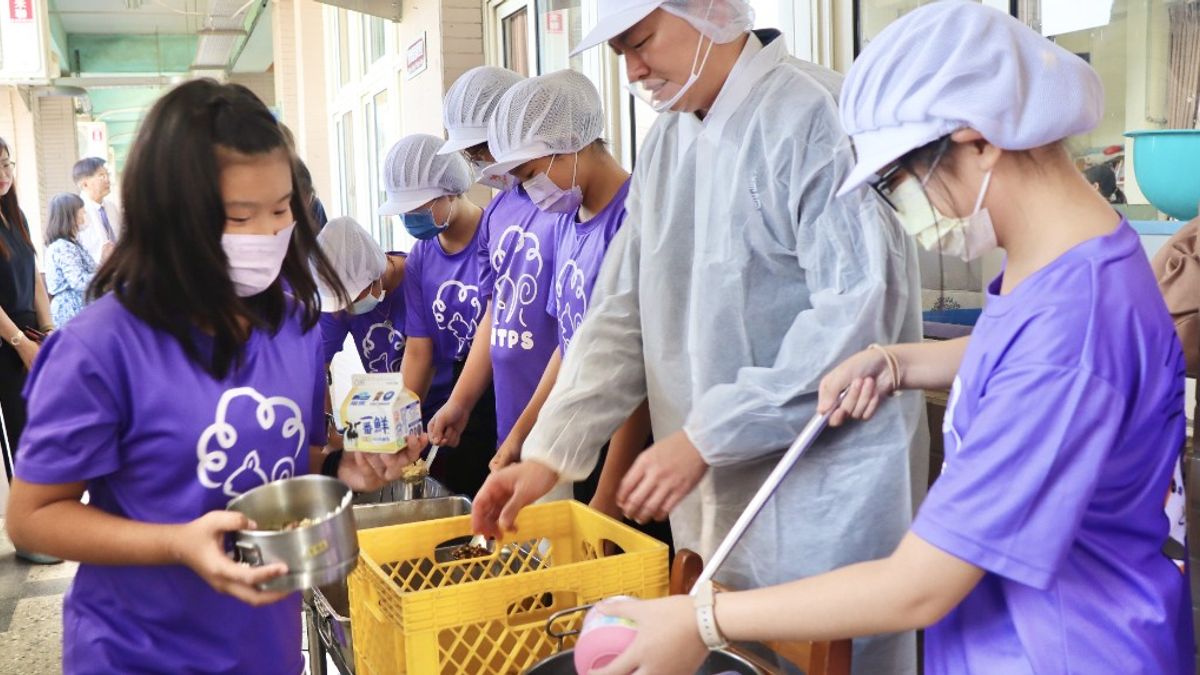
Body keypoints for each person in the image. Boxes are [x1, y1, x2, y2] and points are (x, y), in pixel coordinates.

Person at [585, 4, 1195, 675]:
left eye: (902, 181)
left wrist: (703, 619)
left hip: (1063, 652)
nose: (910, 210)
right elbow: (1019, 351)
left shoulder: (1071, 328)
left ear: (979, 139)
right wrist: (900, 362)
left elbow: (918, 586)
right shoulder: (1082, 257)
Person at [471, 1, 925, 672]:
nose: (633, 71)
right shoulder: (667, 146)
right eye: (620, 53)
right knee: (727, 650)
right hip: (714, 508)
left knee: (828, 653)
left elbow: (855, 324)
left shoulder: (816, 119)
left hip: (826, 502)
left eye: (642, 42)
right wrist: (550, 453)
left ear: (710, 10)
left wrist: (709, 434)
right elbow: (620, 313)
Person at [4, 79, 408, 673]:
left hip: (263, 648)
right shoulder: (100, 347)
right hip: (138, 653)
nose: (267, 235)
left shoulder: (295, 327)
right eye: (239, 216)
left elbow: (287, 462)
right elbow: (32, 517)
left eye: (281, 210)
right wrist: (175, 542)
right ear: (171, 218)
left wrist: (337, 468)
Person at [481, 69, 659, 530]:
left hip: (633, 458)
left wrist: (608, 496)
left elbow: (638, 368)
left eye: (530, 174)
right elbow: (569, 346)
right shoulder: (565, 221)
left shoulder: (634, 218)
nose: (527, 191)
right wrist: (522, 435)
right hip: (582, 444)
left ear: (571, 143)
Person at [422, 66, 565, 490]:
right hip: (511, 417)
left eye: (483, 149)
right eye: (473, 155)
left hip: (562, 426)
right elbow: (495, 312)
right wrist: (460, 403)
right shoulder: (498, 213)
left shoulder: (562, 201)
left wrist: (526, 430)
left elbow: (577, 331)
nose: (482, 163)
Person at [384, 133, 496, 497]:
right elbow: (419, 350)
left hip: (503, 390)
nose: (411, 217)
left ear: (451, 190)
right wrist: (401, 422)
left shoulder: (494, 236)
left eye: (419, 206)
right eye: (404, 210)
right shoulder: (420, 258)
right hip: (454, 404)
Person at [0, 137, 56, 565]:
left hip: (27, 335)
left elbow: (35, 278)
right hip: (7, 341)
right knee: (19, 436)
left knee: (36, 433)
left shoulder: (15, 217)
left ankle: (39, 526)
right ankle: (25, 534)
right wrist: (20, 343)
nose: (3, 175)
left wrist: (48, 330)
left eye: (6, 164)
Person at [315, 215, 407, 452]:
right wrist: (329, 430)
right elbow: (317, 366)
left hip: (439, 406)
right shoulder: (338, 304)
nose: (347, 308)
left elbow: (422, 356)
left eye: (352, 298)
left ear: (374, 273)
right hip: (385, 413)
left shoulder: (416, 279)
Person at [44, 192, 97, 327]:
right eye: (82, 211)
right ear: (70, 215)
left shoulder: (73, 244)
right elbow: (78, 281)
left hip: (79, 308)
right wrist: (107, 276)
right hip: (71, 311)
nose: (85, 214)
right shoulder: (63, 246)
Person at [73, 157, 120, 265]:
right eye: (101, 176)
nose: (107, 180)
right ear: (85, 184)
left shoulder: (112, 207)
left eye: (107, 175)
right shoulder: (76, 210)